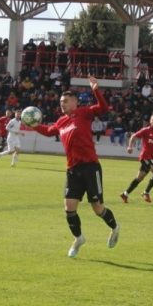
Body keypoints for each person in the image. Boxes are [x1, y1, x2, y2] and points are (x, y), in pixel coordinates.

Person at [28, 76, 120, 258]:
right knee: (69, 208)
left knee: (97, 208)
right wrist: (32, 125)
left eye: (66, 101)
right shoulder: (61, 121)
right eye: (61, 101)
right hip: (73, 170)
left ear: (75, 102)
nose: (62, 104)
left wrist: (95, 90)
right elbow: (48, 131)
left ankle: (115, 228)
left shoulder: (84, 113)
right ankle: (78, 239)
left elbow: (103, 108)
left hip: (90, 167)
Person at [121, 114, 153, 204]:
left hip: (151, 157)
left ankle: (125, 194)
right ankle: (146, 193)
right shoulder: (146, 130)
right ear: (150, 121)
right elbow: (133, 136)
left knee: (139, 178)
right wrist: (130, 146)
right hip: (145, 156)